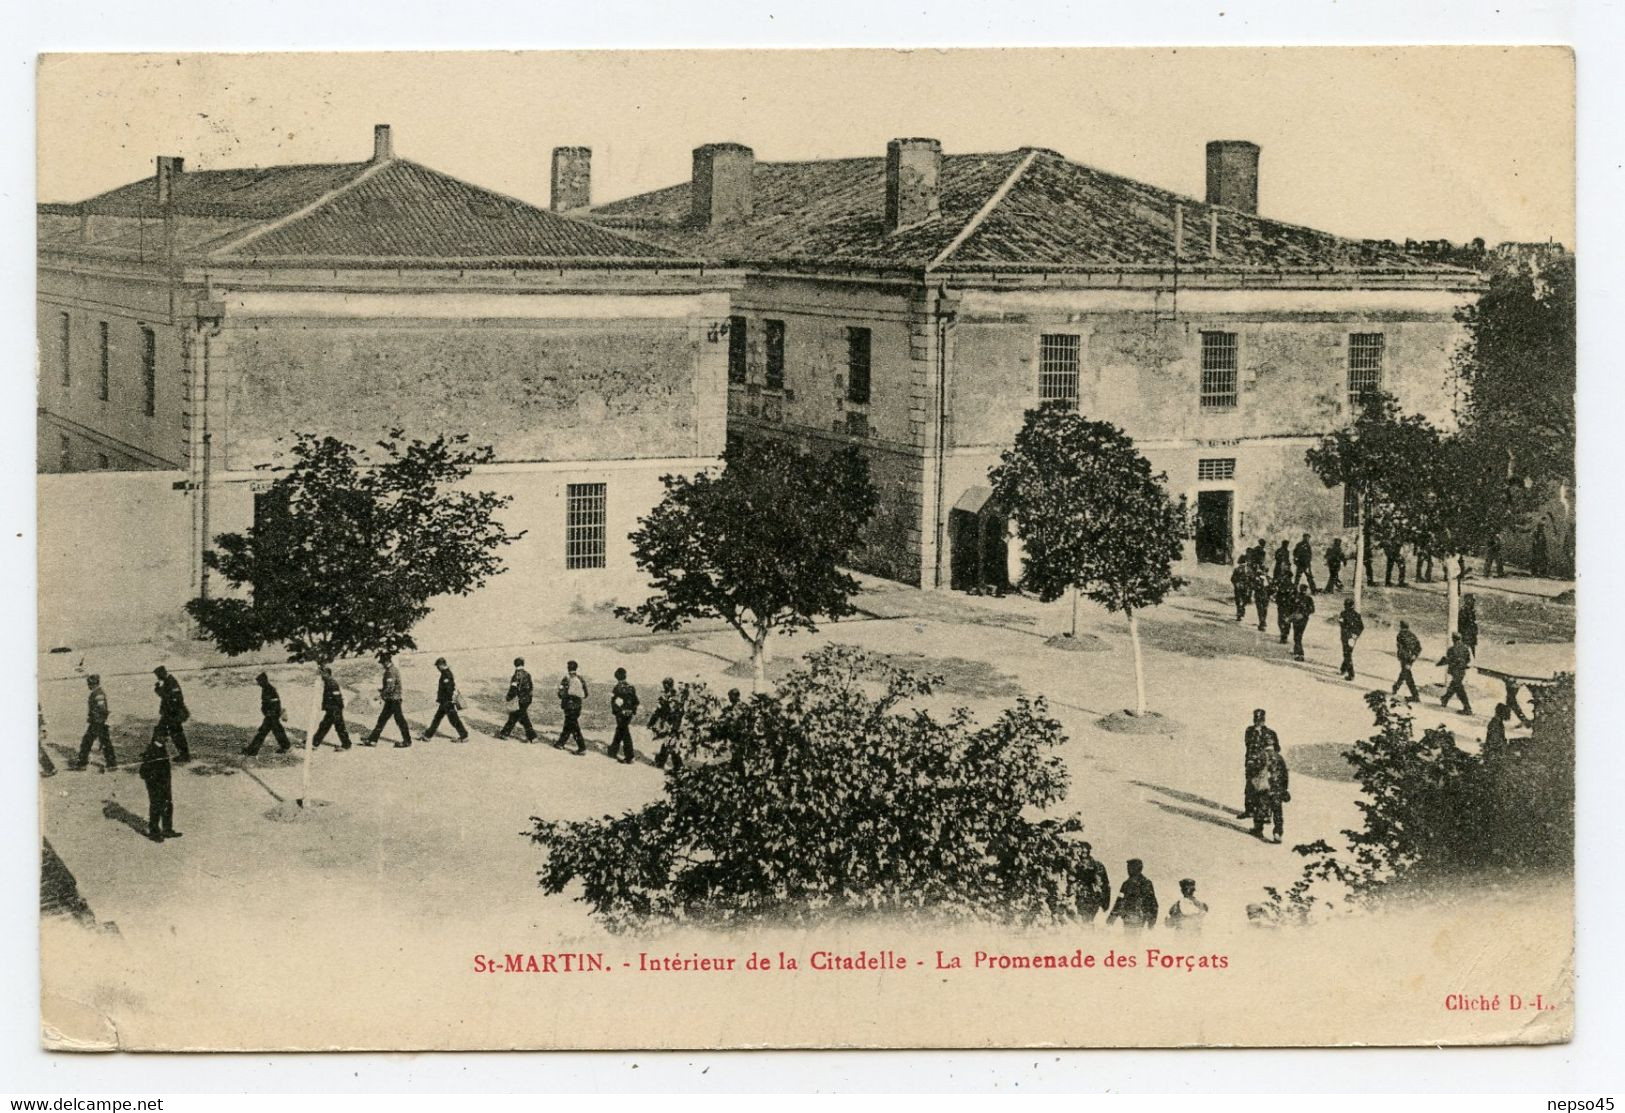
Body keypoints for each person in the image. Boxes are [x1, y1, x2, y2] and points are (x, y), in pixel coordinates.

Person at [137, 730, 180, 843]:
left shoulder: (162, 747)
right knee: (156, 805)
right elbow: (143, 772)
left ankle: (167, 829)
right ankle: (154, 832)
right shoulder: (151, 750)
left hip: (165, 782)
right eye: (164, 736)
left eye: (166, 737)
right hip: (155, 784)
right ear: (157, 737)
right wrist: (153, 778)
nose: (167, 739)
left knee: (167, 804)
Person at [1238, 709, 1278, 819]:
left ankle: (1264, 813)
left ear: (1264, 720)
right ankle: (1249, 810)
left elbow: (1276, 749)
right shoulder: (1249, 731)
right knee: (1250, 785)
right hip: (1251, 763)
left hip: (1264, 764)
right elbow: (1248, 744)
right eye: (1256, 719)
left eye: (1260, 720)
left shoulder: (1270, 733)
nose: (1258, 722)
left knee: (1264, 788)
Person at [366, 652, 412, 747]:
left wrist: (380, 695)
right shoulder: (394, 669)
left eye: (382, 663)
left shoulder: (390, 671)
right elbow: (390, 686)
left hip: (393, 700)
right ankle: (372, 739)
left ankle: (407, 741)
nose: (382, 665)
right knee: (382, 720)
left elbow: (390, 688)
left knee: (399, 720)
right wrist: (383, 690)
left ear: (387, 662)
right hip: (392, 699)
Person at [242, 671, 292, 756]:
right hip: (271, 715)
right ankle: (286, 746)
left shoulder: (269, 689)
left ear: (264, 681)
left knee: (263, 732)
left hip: (271, 715)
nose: (258, 684)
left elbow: (275, 703)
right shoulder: (266, 688)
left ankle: (252, 751)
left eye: (259, 682)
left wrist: (270, 714)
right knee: (277, 730)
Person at [73, 674, 116, 771]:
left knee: (87, 743)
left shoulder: (98, 694)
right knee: (105, 743)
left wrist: (100, 720)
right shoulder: (96, 692)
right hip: (98, 722)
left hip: (97, 723)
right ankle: (112, 764)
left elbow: (102, 709)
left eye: (89, 683)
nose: (88, 685)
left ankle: (82, 764)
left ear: (93, 683)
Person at [422, 657, 469, 742]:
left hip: (447, 702)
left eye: (438, 666)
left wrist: (449, 701)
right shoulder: (446, 673)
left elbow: (449, 689)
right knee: (437, 718)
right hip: (445, 702)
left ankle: (464, 736)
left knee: (453, 720)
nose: (437, 668)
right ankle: (427, 735)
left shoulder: (446, 674)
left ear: (441, 665)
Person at [1253, 741, 1290, 843]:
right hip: (1277, 789)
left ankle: (1258, 829)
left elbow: (1254, 772)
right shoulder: (1280, 757)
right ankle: (1277, 833)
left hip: (1264, 788)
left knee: (1261, 807)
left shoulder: (1261, 756)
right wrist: (1285, 789)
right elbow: (1285, 774)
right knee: (1277, 811)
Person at [1106, 859, 1158, 932]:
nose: (1128, 870)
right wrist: (1152, 920)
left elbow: (1119, 902)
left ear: (1135, 868)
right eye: (1128, 868)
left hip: (1130, 917)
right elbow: (1153, 903)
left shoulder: (1127, 884)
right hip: (1138, 918)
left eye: (1129, 868)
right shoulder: (1146, 883)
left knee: (1130, 938)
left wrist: (1112, 917)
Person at [152, 665, 191, 762]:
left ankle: (184, 755)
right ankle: (155, 753)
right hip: (168, 713)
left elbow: (175, 698)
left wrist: (159, 690)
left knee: (176, 734)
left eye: (158, 675)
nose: (157, 677)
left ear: (162, 673)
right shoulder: (166, 681)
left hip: (173, 713)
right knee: (162, 732)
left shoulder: (172, 682)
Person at [497, 658, 538, 742]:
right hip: (527, 699)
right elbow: (531, 687)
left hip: (519, 700)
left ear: (515, 665)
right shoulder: (527, 674)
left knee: (521, 717)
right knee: (516, 716)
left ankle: (532, 737)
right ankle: (505, 733)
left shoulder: (516, 676)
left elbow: (513, 689)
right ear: (523, 664)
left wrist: (508, 697)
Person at [312, 664, 351, 750]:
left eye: (322, 673)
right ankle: (314, 742)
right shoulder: (328, 682)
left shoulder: (331, 683)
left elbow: (337, 697)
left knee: (338, 727)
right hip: (332, 708)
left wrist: (338, 710)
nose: (321, 676)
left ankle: (346, 745)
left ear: (327, 674)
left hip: (334, 709)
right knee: (324, 726)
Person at [650, 677, 685, 771]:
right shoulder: (672, 695)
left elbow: (673, 711)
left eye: (664, 685)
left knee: (670, 744)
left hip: (672, 724)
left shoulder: (673, 697)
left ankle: (676, 765)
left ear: (667, 685)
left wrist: (674, 727)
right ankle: (664, 762)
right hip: (670, 723)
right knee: (668, 744)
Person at [1073, 842, 1112, 924]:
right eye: (1081, 850)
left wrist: (1105, 903)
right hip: (1080, 899)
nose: (1082, 852)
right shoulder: (1075, 866)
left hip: (1093, 900)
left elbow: (1105, 885)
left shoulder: (1098, 865)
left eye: (1084, 850)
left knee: (1087, 922)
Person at [608, 667, 640, 764]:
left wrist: (617, 711)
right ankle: (612, 751)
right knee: (620, 730)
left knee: (624, 733)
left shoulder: (617, 688)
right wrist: (632, 710)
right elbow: (636, 701)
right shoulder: (631, 687)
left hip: (621, 714)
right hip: (629, 714)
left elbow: (614, 702)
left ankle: (629, 756)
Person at [556, 660, 588, 754]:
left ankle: (582, 747)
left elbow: (560, 694)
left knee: (573, 726)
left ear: (568, 668)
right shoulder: (581, 679)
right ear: (576, 668)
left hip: (568, 706)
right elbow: (585, 694)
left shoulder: (566, 679)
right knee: (569, 724)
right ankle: (560, 743)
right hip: (578, 706)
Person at [1438, 632, 1474, 714]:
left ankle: (1467, 708)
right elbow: (1468, 660)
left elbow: (1448, 660)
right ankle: (1445, 699)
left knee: (1459, 689)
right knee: (1455, 685)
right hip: (1462, 671)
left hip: (1455, 671)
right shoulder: (1465, 648)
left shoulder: (1451, 649)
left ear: (1453, 639)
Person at [1393, 620, 1423, 701]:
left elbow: (1401, 648)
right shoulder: (1412, 635)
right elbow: (1419, 647)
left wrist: (1406, 659)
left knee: (1407, 675)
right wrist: (1414, 656)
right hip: (1411, 658)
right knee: (1405, 673)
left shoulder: (1400, 635)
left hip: (1405, 659)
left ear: (1401, 626)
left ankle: (1415, 695)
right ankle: (1396, 687)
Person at [1337, 598, 1364, 681]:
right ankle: (1343, 668)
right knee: (1348, 653)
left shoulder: (1343, 614)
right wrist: (1356, 635)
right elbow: (1361, 627)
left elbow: (1341, 623)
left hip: (1345, 637)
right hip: (1352, 638)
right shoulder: (1357, 615)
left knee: (1347, 654)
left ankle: (1351, 674)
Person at [1289, 583, 1317, 662]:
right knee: (1298, 635)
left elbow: (1290, 607)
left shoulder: (1296, 597)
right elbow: (1312, 610)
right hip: (1301, 619)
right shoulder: (1308, 598)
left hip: (1300, 619)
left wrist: (1298, 614)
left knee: (1297, 636)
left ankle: (1299, 654)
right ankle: (1297, 651)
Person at [1272, 568, 1296, 645]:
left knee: (1281, 620)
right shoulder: (1293, 586)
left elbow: (1278, 594)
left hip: (1283, 605)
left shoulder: (1283, 585)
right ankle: (1284, 635)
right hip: (1287, 606)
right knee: (1286, 621)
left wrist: (1276, 600)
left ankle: (1283, 635)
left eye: (1285, 576)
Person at [1250, 561, 1272, 632]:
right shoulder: (1263, 578)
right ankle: (1262, 622)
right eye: (1264, 571)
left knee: (1262, 610)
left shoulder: (1265, 578)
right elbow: (1253, 586)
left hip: (1263, 596)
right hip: (1262, 596)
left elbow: (1272, 587)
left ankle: (1262, 622)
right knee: (1262, 610)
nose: (1264, 572)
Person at [1458, 594, 1480, 660]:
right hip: (1466, 633)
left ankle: (1473, 658)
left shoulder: (1471, 610)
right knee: (1467, 647)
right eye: (1472, 601)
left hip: (1471, 633)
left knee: (1471, 647)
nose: (1473, 603)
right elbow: (1461, 623)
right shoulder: (1464, 610)